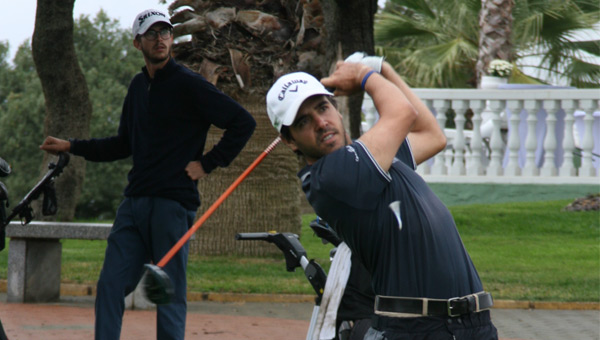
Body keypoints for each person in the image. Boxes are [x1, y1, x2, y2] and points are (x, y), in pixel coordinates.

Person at [40, 9, 256, 340]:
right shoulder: (138, 87)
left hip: (173, 204)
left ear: (171, 39)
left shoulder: (189, 84)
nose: (160, 39)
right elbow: (121, 144)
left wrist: (208, 163)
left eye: (165, 32)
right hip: (134, 205)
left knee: (168, 294)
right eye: (152, 33)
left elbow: (243, 122)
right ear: (137, 42)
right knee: (110, 285)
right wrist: (71, 146)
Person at [266, 54, 498, 339]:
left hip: (470, 325)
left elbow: (431, 134)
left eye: (322, 107)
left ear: (337, 110)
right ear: (289, 141)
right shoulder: (331, 176)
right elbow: (402, 113)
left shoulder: (374, 159)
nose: (320, 122)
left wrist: (382, 69)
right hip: (415, 330)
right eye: (303, 121)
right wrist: (364, 75)